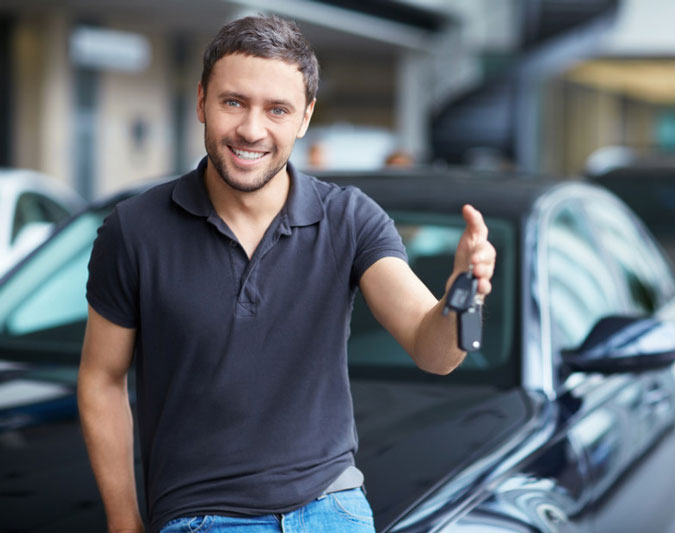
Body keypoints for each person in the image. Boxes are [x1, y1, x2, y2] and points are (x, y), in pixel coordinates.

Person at [77, 14, 495, 533]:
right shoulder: (134, 229)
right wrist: (123, 521)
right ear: (202, 100)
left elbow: (434, 353)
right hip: (204, 517)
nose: (252, 130)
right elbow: (101, 377)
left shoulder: (351, 218)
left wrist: (463, 297)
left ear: (304, 117)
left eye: (277, 109)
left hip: (332, 508)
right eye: (234, 102)